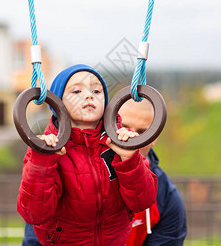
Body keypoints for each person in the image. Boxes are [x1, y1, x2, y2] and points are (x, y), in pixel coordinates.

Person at [17, 64, 157, 246]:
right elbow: (33, 213)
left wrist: (130, 160)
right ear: (57, 103)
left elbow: (142, 202)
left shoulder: (120, 142)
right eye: (76, 91)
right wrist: (42, 162)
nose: (89, 95)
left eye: (97, 91)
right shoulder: (46, 149)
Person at [121, 99, 187, 246]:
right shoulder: (80, 174)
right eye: (124, 127)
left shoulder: (166, 196)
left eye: (142, 132)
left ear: (154, 137)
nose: (132, 137)